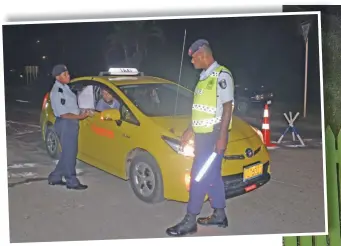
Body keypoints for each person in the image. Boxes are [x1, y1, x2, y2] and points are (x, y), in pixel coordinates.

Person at [166, 39, 234, 236]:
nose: (192, 62)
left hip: (213, 136)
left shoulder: (222, 75)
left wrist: (222, 138)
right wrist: (190, 129)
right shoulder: (204, 77)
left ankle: (190, 219)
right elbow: (201, 110)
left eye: (194, 58)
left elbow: (228, 107)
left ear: (203, 54)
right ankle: (219, 215)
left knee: (199, 176)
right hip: (202, 135)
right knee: (212, 176)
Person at [47, 64, 89, 190]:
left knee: (67, 153)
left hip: (69, 123)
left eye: (68, 73)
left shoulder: (65, 88)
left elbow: (71, 106)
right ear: (58, 77)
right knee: (70, 154)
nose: (68, 76)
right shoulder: (57, 92)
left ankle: (55, 177)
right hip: (66, 123)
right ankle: (71, 181)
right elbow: (63, 113)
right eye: (65, 74)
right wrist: (81, 117)